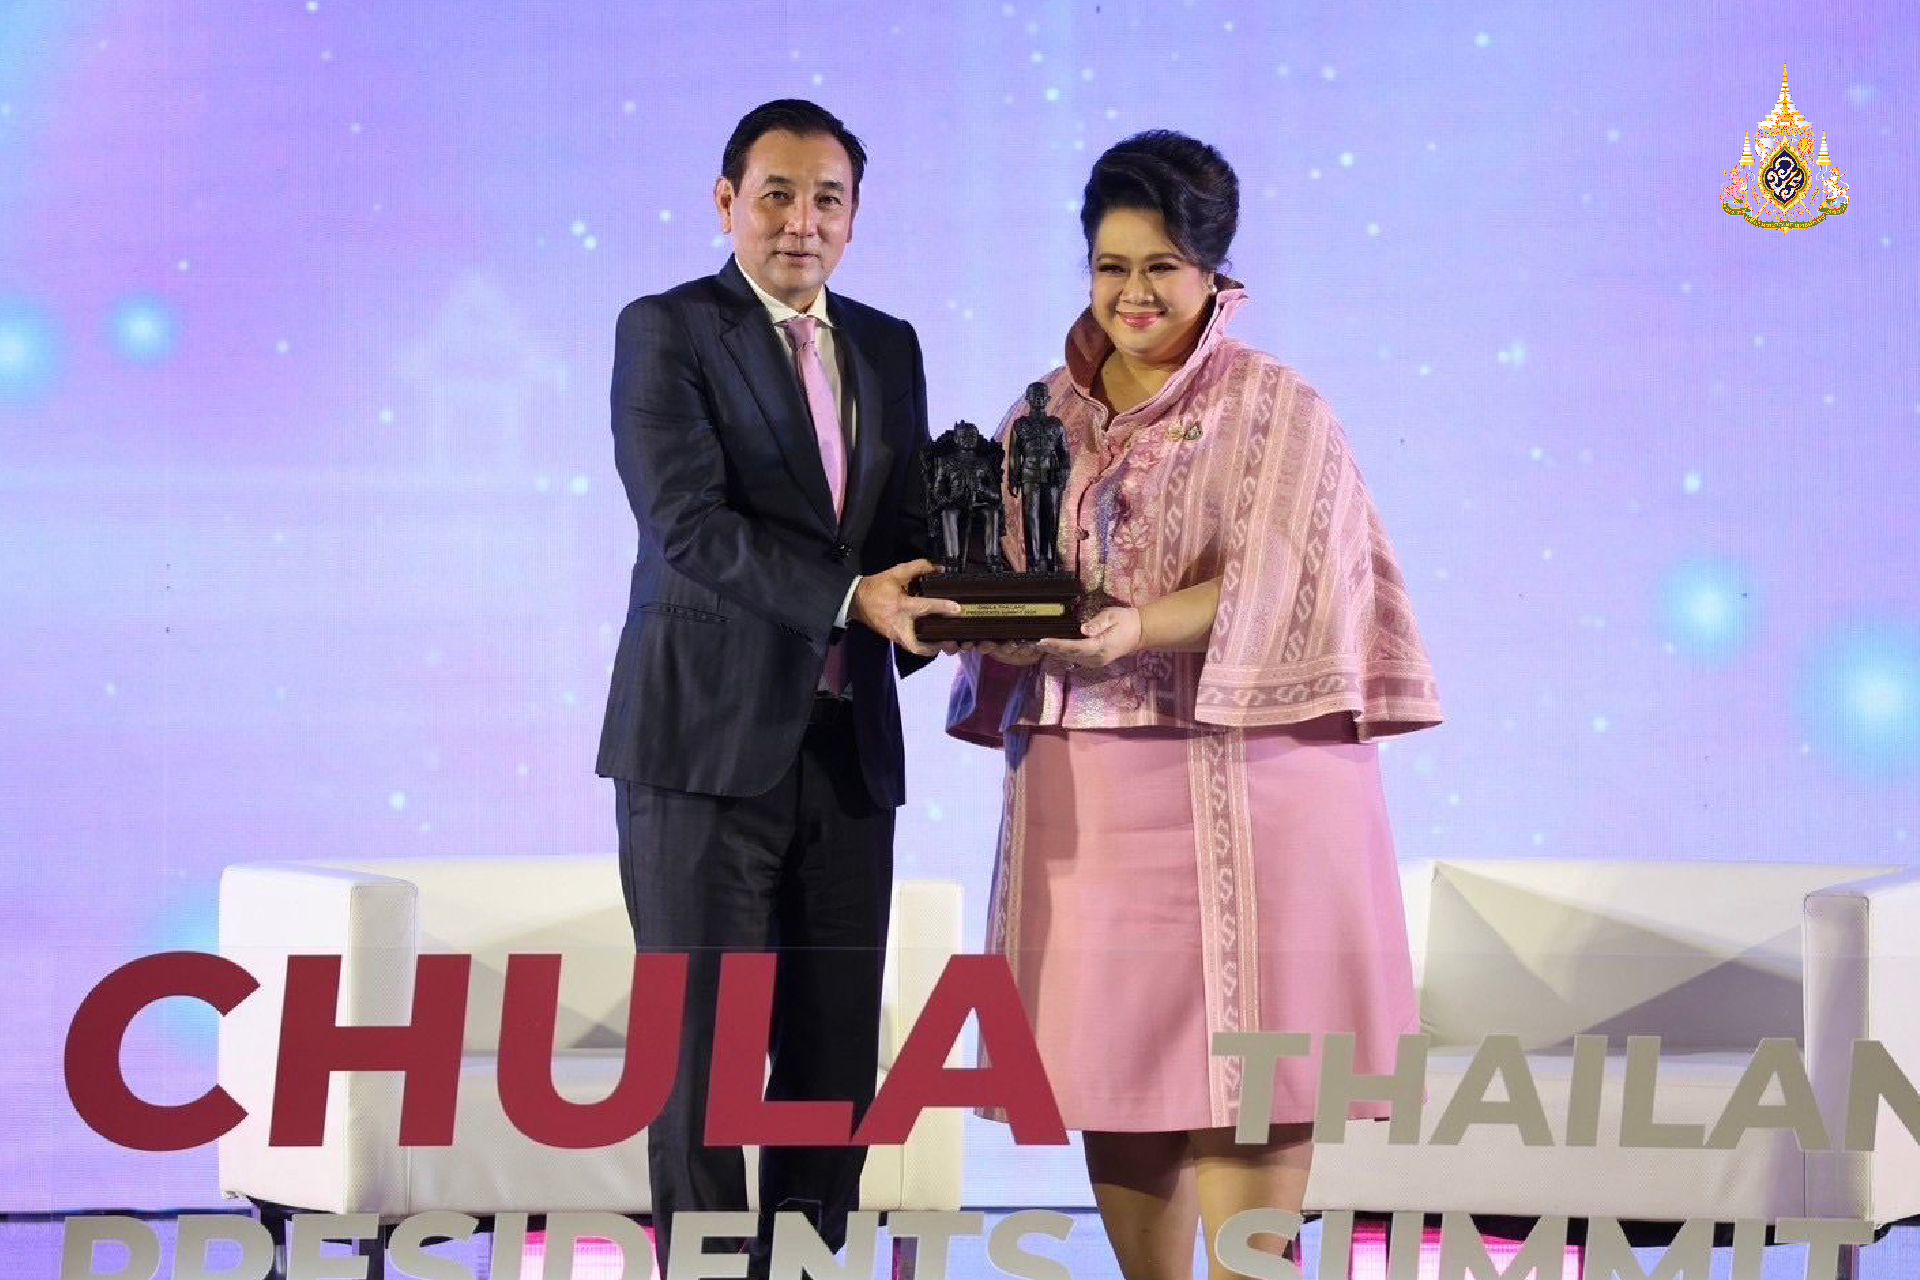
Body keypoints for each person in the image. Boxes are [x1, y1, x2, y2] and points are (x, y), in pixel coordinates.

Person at [947, 130, 1443, 1280]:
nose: (1133, 293)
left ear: (1214, 270)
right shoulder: (1037, 412)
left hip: (1260, 778)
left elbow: (1288, 572)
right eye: (1111, 266)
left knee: (1254, 1070)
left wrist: (1136, 624)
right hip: (1088, 786)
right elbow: (1008, 576)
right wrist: (976, 613)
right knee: (1113, 1063)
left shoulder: (1277, 406)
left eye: (1161, 267)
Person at [596, 98, 958, 1278]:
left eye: (827, 200)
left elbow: (903, 531)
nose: (803, 222)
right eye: (778, 196)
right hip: (701, 751)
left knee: (832, 1065)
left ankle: (802, 1270)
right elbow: (687, 524)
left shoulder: (888, 344)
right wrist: (854, 597)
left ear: (855, 216)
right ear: (727, 202)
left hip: (848, 752)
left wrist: (982, 596)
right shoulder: (668, 329)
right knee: (701, 1064)